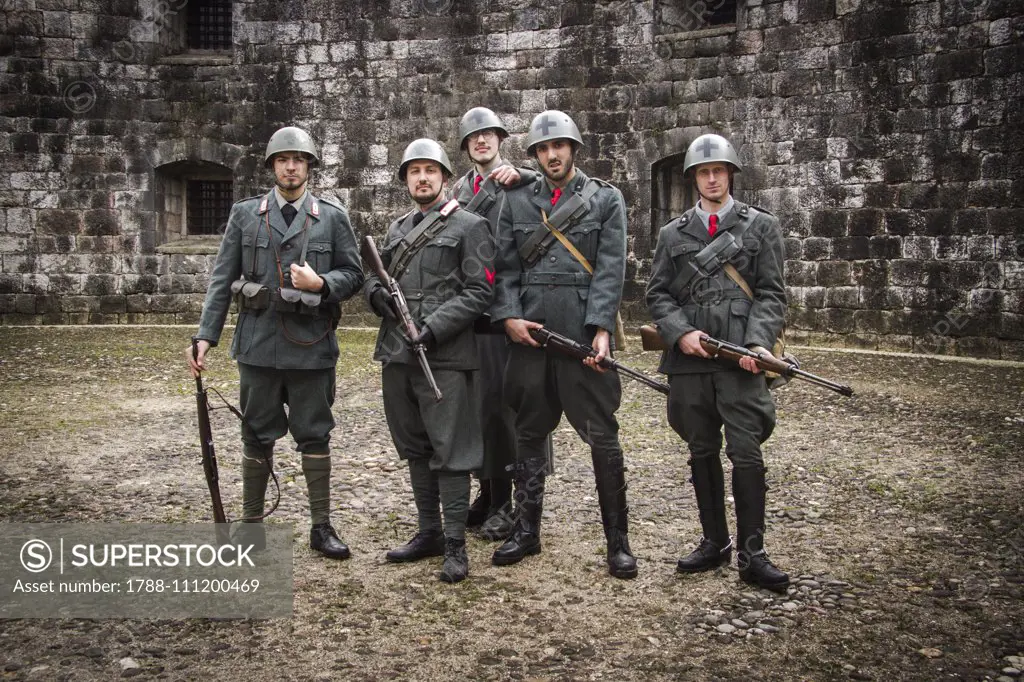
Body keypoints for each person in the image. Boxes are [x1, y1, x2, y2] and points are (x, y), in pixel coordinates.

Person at [186, 126, 364, 559]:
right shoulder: (246, 214)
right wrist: (205, 336)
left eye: (298, 160)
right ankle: (251, 527)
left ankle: (321, 527)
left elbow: (354, 275)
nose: (290, 166)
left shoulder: (332, 216)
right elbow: (222, 279)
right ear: (271, 166)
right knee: (256, 435)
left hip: (312, 347)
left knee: (315, 435)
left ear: (309, 167)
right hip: (259, 346)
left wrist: (322, 282)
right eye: (282, 160)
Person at [489, 110, 637, 580]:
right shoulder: (514, 201)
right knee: (529, 431)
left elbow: (611, 268)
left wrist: (600, 329)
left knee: (602, 436)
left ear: (573, 149)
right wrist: (509, 317)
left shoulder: (604, 199)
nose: (552, 155)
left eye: (559, 147)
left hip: (579, 332)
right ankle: (526, 530)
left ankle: (618, 541)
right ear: (534, 155)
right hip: (530, 334)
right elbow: (505, 267)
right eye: (542, 149)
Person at [645, 133, 790, 592]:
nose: (711, 178)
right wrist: (680, 333)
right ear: (693, 179)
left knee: (746, 451)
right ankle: (714, 542)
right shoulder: (673, 234)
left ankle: (754, 552)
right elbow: (658, 293)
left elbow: (771, 293)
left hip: (741, 361)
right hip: (690, 363)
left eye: (718, 171)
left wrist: (758, 344)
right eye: (703, 172)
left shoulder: (760, 228)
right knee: (700, 449)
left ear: (730, 175)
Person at [364, 138, 495, 583]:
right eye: (414, 171)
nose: (422, 178)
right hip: (397, 353)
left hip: (447, 355)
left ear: (443, 177)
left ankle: (456, 543)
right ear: (406, 180)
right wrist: (377, 296)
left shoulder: (470, 226)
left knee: (451, 450)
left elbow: (480, 292)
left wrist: (434, 327)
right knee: (415, 446)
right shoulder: (397, 229)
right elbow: (371, 278)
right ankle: (429, 532)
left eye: (430, 171)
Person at [450, 106, 550, 541]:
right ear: (467, 146)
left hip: (507, 309)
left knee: (508, 409)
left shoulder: (522, 181)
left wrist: (528, 177)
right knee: (476, 408)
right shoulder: (457, 188)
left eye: (489, 134)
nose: (482, 141)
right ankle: (487, 492)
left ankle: (509, 500)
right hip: (469, 314)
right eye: (474, 137)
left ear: (500, 139)